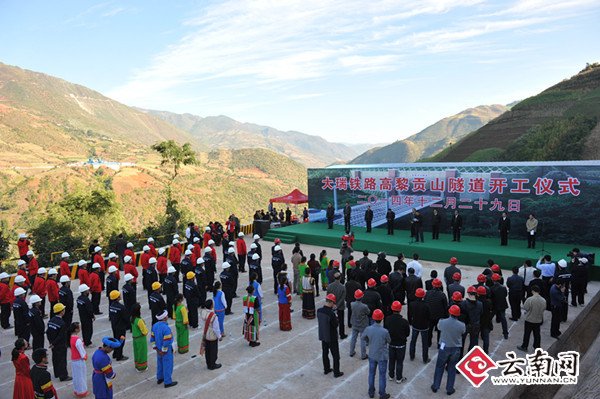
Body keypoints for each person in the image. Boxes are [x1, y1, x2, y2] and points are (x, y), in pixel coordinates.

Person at [430, 305, 465, 395]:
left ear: (449, 313)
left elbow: (439, 328)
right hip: (455, 348)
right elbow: (463, 332)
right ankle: (449, 389)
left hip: (444, 346)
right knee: (452, 368)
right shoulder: (461, 325)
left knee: (439, 366)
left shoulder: (442, 322)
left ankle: (435, 386)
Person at [363, 309, 391, 399]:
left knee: (371, 373)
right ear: (381, 319)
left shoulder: (368, 329)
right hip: (382, 355)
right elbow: (389, 341)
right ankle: (382, 394)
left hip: (372, 354)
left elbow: (363, 337)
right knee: (382, 375)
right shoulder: (384, 331)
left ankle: (371, 392)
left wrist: (369, 340)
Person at [318, 294, 343, 378]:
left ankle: (326, 368)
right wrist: (336, 317)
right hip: (331, 337)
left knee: (325, 353)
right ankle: (336, 372)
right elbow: (335, 324)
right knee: (335, 355)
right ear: (332, 302)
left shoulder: (319, 311)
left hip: (323, 335)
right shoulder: (331, 314)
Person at [385, 301, 410, 384]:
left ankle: (391, 375)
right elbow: (407, 333)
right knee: (399, 362)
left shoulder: (388, 319)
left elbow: (386, 330)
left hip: (391, 343)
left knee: (391, 360)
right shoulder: (404, 322)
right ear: (400, 310)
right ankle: (399, 378)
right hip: (401, 345)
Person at [151, 311, 178, 387]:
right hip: (166, 351)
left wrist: (157, 350)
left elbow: (152, 339)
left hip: (158, 350)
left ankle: (160, 378)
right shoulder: (166, 328)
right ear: (164, 318)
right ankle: (167, 382)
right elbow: (166, 341)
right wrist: (163, 351)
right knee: (167, 365)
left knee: (160, 364)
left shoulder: (154, 326)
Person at [517, 285, 546, 352]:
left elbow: (525, 308)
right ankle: (537, 347)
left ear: (533, 291)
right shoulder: (543, 300)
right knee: (537, 334)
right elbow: (544, 308)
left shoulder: (530, 299)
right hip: (538, 319)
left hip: (529, 319)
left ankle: (524, 346)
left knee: (527, 334)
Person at [46, 303, 71, 381]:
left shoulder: (51, 321)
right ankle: (63, 375)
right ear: (61, 311)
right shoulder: (62, 323)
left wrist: (51, 342)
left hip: (53, 343)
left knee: (55, 358)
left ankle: (57, 373)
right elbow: (61, 336)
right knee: (62, 359)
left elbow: (48, 332)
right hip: (60, 344)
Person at [424, 279, 448, 348]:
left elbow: (425, 303)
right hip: (439, 317)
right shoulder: (442, 295)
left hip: (430, 316)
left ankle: (428, 343)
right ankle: (439, 344)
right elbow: (445, 306)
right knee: (440, 332)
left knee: (429, 331)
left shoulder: (427, 293)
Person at [408, 288, 430, 364]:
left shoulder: (412, 304)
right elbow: (428, 316)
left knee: (413, 341)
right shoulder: (426, 305)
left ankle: (411, 355)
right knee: (425, 343)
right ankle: (425, 358)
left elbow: (410, 314)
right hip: (424, 325)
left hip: (415, 324)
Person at [200, 299, 222, 370]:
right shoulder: (214, 316)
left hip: (206, 333)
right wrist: (219, 336)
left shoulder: (203, 313)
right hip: (212, 334)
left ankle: (208, 363)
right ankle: (212, 364)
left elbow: (202, 323)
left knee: (208, 350)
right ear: (212, 306)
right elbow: (216, 328)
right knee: (213, 350)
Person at [68, 322, 88, 397]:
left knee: (76, 377)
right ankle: (82, 391)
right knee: (81, 376)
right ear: (76, 330)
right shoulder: (77, 340)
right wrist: (85, 356)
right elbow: (82, 352)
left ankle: (77, 390)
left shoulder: (71, 337)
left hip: (74, 360)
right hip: (79, 361)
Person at [349, 289, 370, 359]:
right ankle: (363, 355)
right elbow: (368, 312)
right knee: (363, 340)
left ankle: (351, 351)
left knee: (353, 338)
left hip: (354, 323)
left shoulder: (352, 304)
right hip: (362, 325)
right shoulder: (364, 306)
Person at [108, 291, 129, 361]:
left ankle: (115, 353)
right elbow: (126, 317)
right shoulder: (121, 307)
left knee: (115, 339)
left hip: (114, 326)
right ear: (117, 298)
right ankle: (119, 356)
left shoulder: (111, 306)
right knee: (121, 341)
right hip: (121, 327)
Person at [129, 303, 149, 372]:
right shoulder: (139, 320)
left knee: (137, 351)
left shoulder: (131, 318)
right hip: (141, 338)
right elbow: (145, 331)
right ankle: (142, 367)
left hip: (135, 338)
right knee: (142, 352)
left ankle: (137, 365)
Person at [328, 272, 347, 339]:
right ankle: (342, 334)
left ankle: (332, 335)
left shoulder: (330, 286)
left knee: (332, 321)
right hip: (340, 307)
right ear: (340, 278)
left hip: (331, 306)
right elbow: (343, 297)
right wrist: (337, 305)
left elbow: (328, 296)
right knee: (341, 321)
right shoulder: (342, 287)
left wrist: (332, 304)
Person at [490, 273, 509, 339]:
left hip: (494, 306)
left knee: (489, 318)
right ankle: (505, 333)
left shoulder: (491, 288)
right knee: (503, 319)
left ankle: (487, 330)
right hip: (502, 305)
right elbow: (505, 295)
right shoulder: (503, 288)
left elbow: (491, 298)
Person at [476, 286, 493, 353]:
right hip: (486, 322)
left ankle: (474, 351)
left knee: (475, 338)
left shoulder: (476, 302)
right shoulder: (488, 302)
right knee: (486, 338)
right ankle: (486, 351)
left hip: (478, 321)